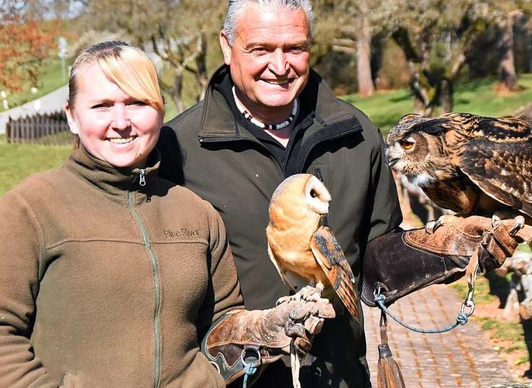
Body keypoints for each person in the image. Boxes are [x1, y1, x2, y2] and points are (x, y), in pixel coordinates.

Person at [158, 0, 532, 387]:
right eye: (261, 48)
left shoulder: (355, 134)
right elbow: (163, 298)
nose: (279, 66)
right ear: (228, 47)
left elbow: (373, 263)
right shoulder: (179, 149)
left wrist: (448, 247)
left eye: (295, 48)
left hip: (341, 376)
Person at [0, 41, 335, 387]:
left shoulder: (196, 214)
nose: (121, 122)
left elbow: (221, 323)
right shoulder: (29, 209)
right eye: (102, 106)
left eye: (136, 103)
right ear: (72, 115)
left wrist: (262, 331)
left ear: (159, 111)